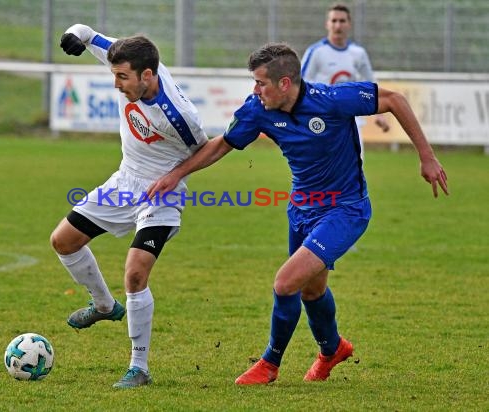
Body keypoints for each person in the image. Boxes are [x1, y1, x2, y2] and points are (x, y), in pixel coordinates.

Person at [147, 43, 448, 385]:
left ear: (285, 83)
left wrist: (426, 157)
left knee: (286, 282)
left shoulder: (331, 100)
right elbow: (224, 144)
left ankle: (269, 364)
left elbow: (395, 100)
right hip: (301, 209)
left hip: (345, 209)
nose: (255, 90)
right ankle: (332, 349)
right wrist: (176, 174)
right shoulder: (258, 109)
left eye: (261, 83)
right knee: (311, 290)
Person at [50, 24, 209, 388]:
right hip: (124, 182)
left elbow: (206, 150)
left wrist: (174, 177)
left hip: (162, 192)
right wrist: (74, 33)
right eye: (114, 74)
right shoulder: (129, 62)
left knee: (135, 272)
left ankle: (139, 367)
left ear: (147, 75)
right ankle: (105, 306)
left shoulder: (179, 116)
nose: (117, 84)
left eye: (122, 77)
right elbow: (89, 35)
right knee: (63, 241)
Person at [301, 3, 390, 159]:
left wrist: (379, 115)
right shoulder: (316, 52)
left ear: (349, 24)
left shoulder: (358, 53)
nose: (338, 25)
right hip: (322, 120)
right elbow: (300, 85)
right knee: (323, 171)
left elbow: (371, 83)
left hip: (351, 120)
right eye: (334, 21)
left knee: (355, 168)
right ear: (327, 24)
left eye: (342, 21)